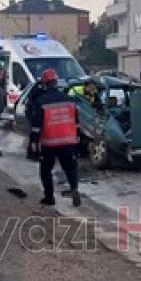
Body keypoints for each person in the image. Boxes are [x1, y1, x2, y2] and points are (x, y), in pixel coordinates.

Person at [31, 69, 81, 207]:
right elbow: (76, 123)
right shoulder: (69, 100)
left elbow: (36, 125)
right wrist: (77, 140)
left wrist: (34, 142)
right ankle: (74, 189)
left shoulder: (41, 101)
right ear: (56, 82)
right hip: (68, 141)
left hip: (49, 143)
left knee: (46, 170)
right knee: (71, 167)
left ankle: (49, 197)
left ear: (45, 84)